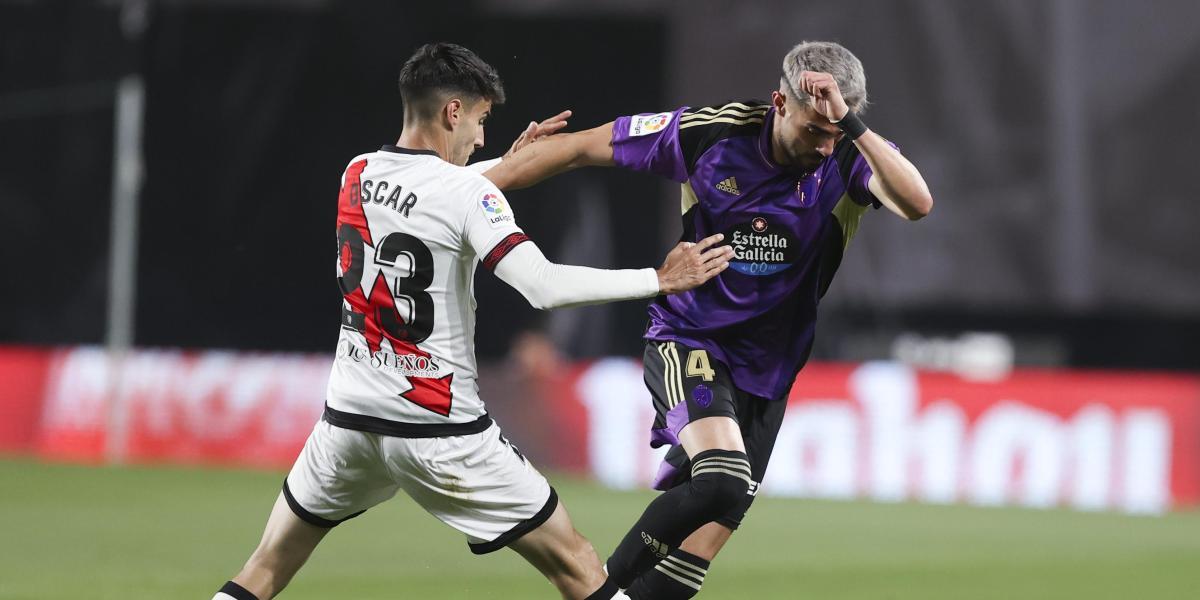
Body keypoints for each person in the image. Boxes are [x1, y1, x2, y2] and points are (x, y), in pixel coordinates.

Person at [212, 42, 734, 600]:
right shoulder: (464, 193)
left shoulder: (357, 171)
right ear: (452, 113)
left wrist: (506, 165)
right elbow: (542, 285)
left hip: (349, 421)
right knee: (577, 563)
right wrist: (658, 278)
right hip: (439, 429)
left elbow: (435, 195)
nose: (482, 137)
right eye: (481, 120)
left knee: (264, 569)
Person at [484, 40, 934, 598]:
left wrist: (850, 126)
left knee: (685, 568)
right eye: (815, 131)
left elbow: (918, 204)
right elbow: (578, 148)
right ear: (780, 102)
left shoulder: (849, 153)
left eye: (835, 132)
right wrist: (473, 188)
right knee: (721, 480)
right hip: (690, 339)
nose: (824, 147)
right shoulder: (710, 133)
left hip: (769, 372)